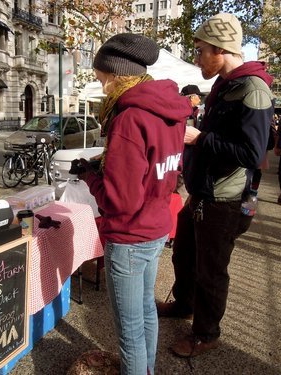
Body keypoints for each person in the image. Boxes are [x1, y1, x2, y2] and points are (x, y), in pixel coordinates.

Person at [157, 13, 274, 357]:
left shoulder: (253, 88)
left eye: (200, 51)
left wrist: (200, 138)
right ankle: (183, 304)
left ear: (221, 50)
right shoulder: (228, 84)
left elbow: (252, 153)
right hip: (203, 192)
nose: (196, 59)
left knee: (211, 269)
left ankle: (206, 334)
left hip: (225, 199)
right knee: (184, 254)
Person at [76, 33, 191, 374]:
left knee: (130, 331)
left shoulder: (129, 119)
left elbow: (119, 201)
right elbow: (161, 169)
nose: (101, 87)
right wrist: (108, 166)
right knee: (144, 313)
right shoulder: (168, 110)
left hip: (129, 237)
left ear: (114, 75)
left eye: (101, 79)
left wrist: (90, 176)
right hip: (156, 226)